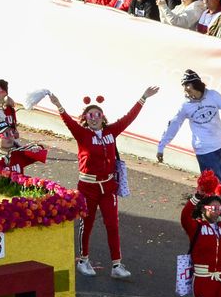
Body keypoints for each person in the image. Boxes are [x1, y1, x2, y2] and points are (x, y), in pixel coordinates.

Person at [50, 87, 156, 278]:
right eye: (90, 115)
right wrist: (58, 105)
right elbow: (68, 122)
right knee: (87, 223)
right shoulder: (82, 134)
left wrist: (143, 98)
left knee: (112, 224)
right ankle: (83, 260)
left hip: (108, 187)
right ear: (85, 118)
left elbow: (128, 118)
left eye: (97, 114)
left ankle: (116, 265)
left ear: (103, 117)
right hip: (87, 187)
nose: (94, 118)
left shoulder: (111, 131)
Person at [154, 69, 221, 236]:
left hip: (220, 147)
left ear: (197, 85)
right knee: (217, 188)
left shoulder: (213, 96)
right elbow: (174, 125)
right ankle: (217, 221)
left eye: (188, 86)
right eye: (184, 88)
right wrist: (162, 146)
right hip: (205, 151)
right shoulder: (185, 106)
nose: (186, 91)